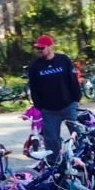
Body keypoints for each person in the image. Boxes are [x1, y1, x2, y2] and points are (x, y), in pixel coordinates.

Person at [27, 34, 82, 162]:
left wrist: (76, 98)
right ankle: (55, 164)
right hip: (49, 110)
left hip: (68, 105)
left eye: (42, 48)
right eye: (38, 49)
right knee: (51, 139)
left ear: (51, 47)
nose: (40, 51)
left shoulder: (63, 60)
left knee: (77, 133)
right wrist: (39, 105)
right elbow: (34, 87)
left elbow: (73, 79)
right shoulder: (35, 66)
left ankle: (81, 158)